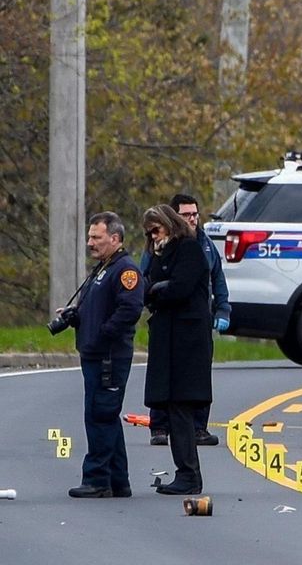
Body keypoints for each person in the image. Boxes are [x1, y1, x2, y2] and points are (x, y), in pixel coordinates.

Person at [65, 212, 145, 498]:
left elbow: (130, 309)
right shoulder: (103, 269)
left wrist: (102, 335)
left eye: (96, 237)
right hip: (94, 354)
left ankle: (97, 479)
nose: (90, 243)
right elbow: (99, 308)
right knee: (107, 415)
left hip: (109, 357)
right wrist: (76, 316)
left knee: (100, 415)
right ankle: (118, 480)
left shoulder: (125, 271)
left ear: (115, 238)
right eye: (90, 237)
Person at [146, 193, 229, 448]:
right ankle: (160, 425)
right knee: (166, 375)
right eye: (186, 215)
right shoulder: (157, 247)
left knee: (197, 376)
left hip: (196, 321)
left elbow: (217, 279)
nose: (192, 219)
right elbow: (146, 279)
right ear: (174, 217)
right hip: (168, 321)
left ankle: (198, 427)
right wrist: (153, 296)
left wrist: (223, 309)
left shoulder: (202, 245)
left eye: (195, 214)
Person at [141, 204, 213, 495]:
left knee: (181, 406)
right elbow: (148, 287)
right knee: (172, 407)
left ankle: (189, 474)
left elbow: (180, 288)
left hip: (186, 341)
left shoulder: (188, 249)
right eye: (149, 233)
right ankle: (184, 471)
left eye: (156, 230)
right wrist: (156, 289)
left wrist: (159, 289)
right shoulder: (160, 255)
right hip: (168, 337)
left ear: (169, 225)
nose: (153, 237)